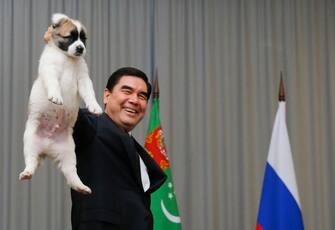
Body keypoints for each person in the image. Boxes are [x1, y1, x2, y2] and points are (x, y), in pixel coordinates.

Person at [71, 67, 167, 230]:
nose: (135, 100)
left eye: (142, 96)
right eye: (127, 91)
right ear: (107, 96)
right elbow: (65, 112)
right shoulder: (92, 126)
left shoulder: (135, 148)